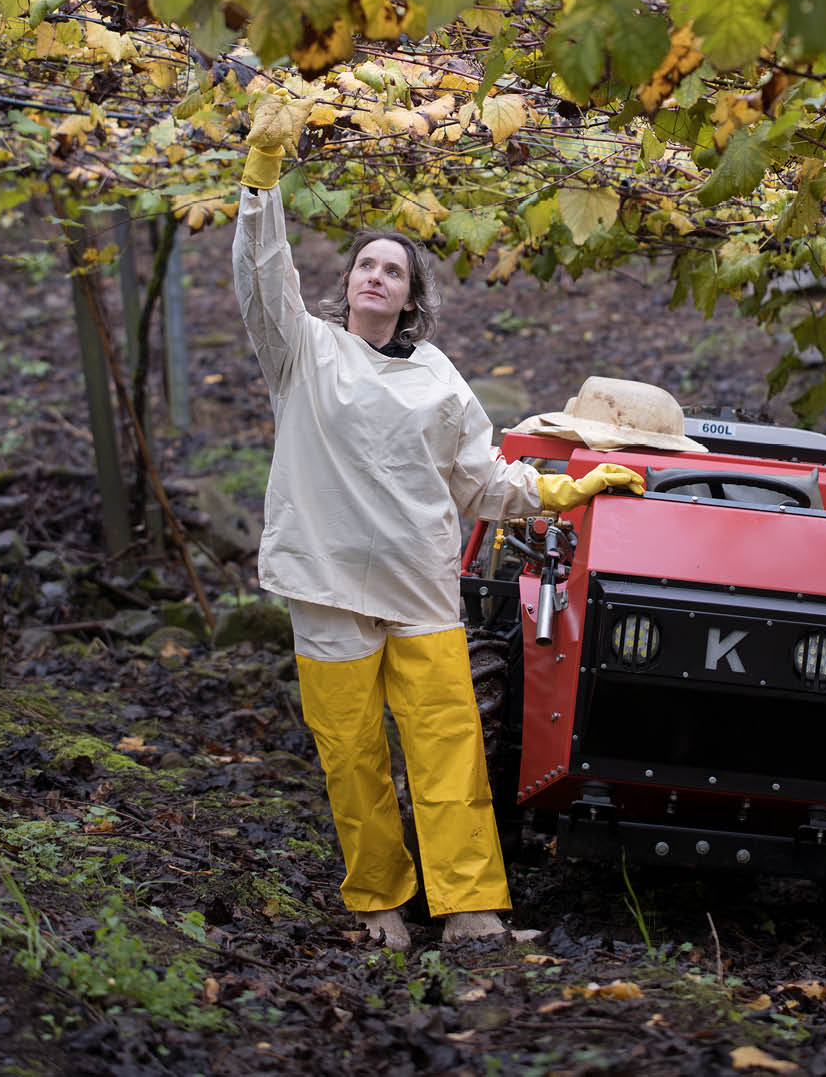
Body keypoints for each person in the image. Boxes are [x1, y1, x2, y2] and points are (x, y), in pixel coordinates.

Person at [232, 92, 644, 948]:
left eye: (392, 269)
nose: (374, 275)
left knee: (448, 745)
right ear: (346, 283)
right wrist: (262, 179)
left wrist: (559, 491)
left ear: (410, 295)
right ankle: (378, 900)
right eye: (364, 264)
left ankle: (470, 908)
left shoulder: (438, 378)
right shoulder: (303, 350)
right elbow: (262, 277)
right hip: (326, 583)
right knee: (351, 754)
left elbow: (480, 479)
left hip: (420, 588)